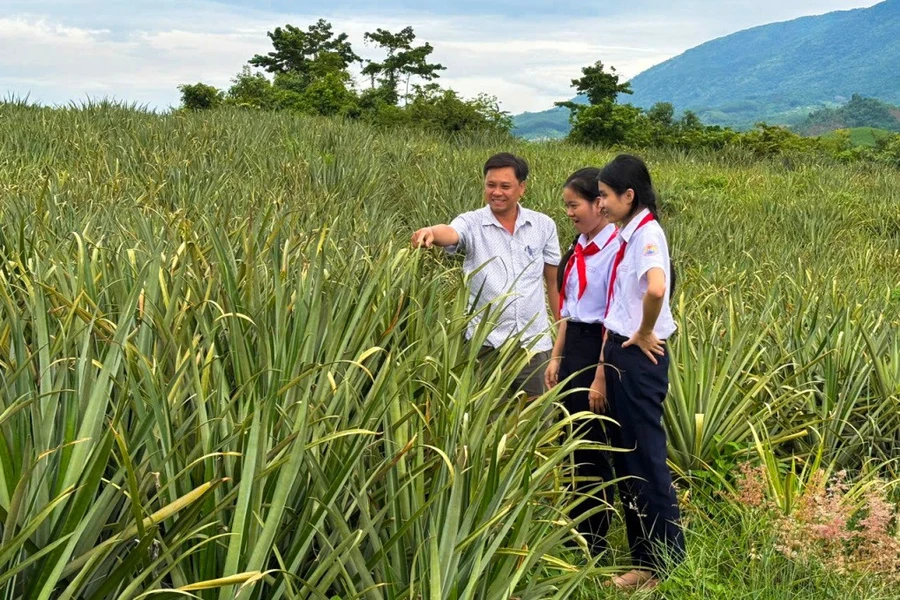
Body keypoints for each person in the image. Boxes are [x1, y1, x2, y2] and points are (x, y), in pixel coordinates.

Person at [594, 154, 685, 590]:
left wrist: (645, 330)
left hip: (636, 357)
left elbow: (656, 287)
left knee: (644, 460)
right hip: (619, 353)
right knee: (630, 457)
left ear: (629, 195)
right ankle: (645, 559)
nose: (601, 205)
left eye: (606, 196)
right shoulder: (628, 232)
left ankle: (660, 565)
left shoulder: (647, 233)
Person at [411, 152, 561, 397]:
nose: (496, 192)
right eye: (491, 185)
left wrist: (560, 336)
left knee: (538, 419)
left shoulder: (543, 225)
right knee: (486, 420)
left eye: (505, 186)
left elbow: (553, 283)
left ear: (521, 188)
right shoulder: (471, 222)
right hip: (486, 346)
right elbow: (450, 232)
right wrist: (429, 231)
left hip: (533, 346)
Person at [543, 167, 619, 555]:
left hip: (599, 350)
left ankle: (596, 539)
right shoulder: (577, 246)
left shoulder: (615, 250)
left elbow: (613, 316)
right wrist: (556, 357)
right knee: (569, 439)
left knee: (591, 444)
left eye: (575, 205)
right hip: (573, 344)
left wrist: (601, 377)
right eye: (567, 206)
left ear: (599, 204)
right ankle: (575, 529)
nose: (569, 212)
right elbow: (568, 310)